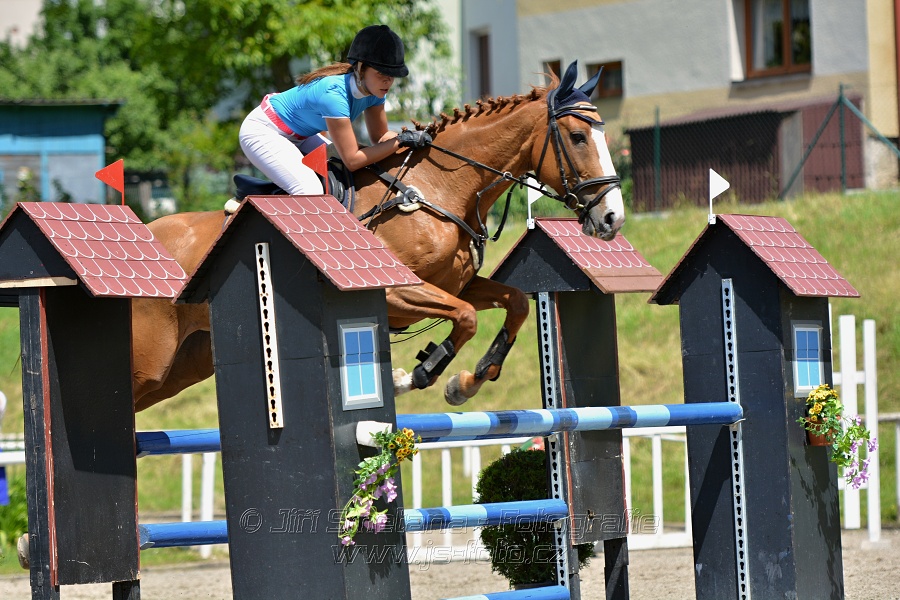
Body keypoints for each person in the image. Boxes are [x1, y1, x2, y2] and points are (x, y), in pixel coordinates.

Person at [239, 24, 432, 196]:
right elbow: (353, 160)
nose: (388, 81)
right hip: (264, 132)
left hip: (301, 136)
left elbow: (380, 137)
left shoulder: (376, 91)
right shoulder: (334, 95)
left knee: (344, 175)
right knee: (309, 190)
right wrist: (400, 140)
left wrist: (412, 138)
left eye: (392, 75)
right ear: (361, 68)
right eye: (382, 73)